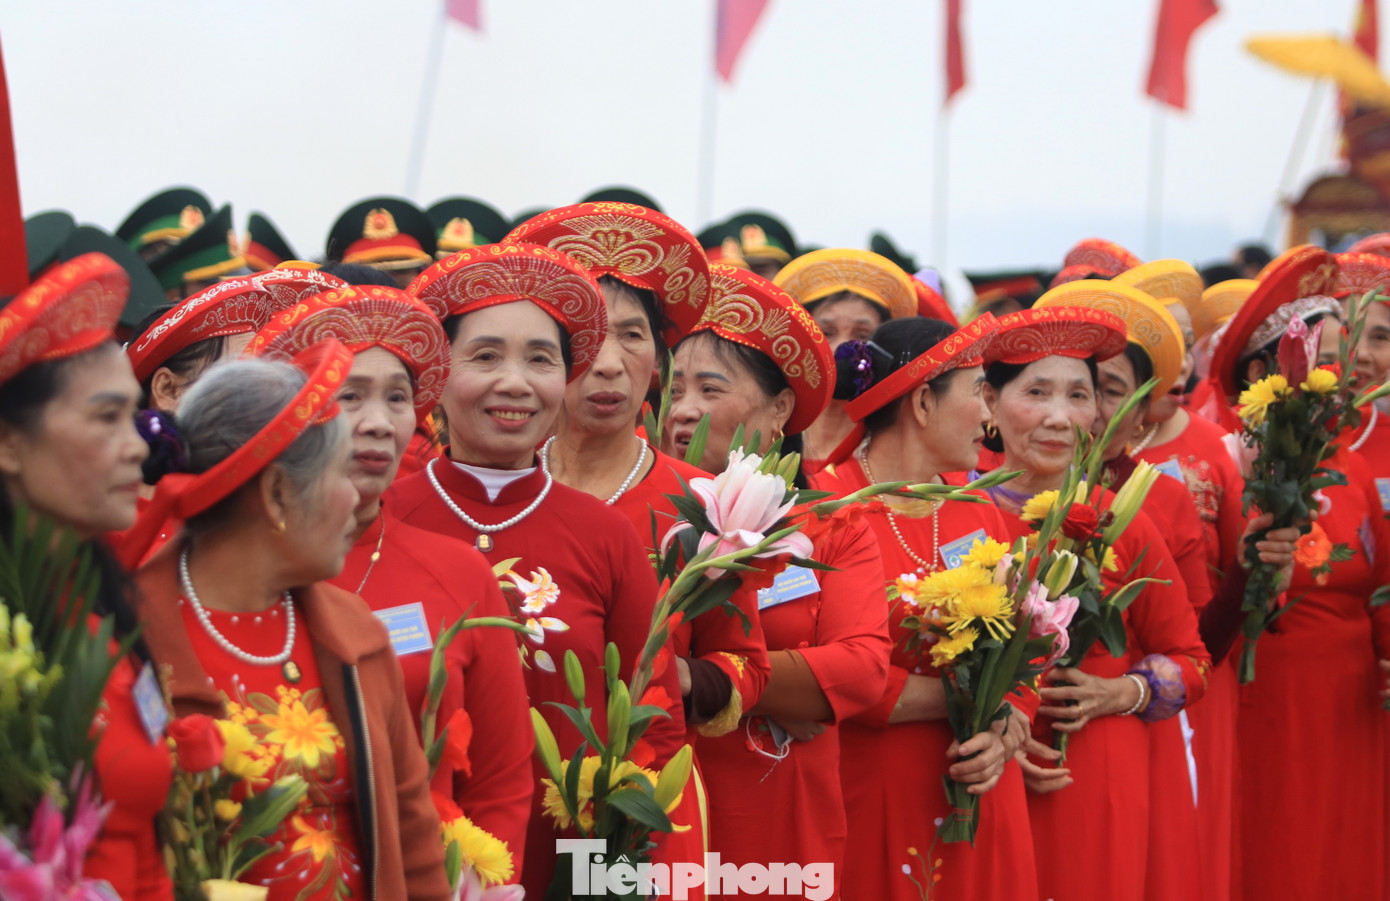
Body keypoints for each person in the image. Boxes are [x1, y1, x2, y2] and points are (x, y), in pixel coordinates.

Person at [391, 242, 685, 898]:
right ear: (436, 374)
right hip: (405, 858)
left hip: (571, 863)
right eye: (486, 355)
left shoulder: (604, 533)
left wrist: (620, 854)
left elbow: (655, 714)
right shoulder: (383, 517)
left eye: (541, 359)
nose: (517, 382)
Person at [126, 342, 451, 900]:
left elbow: (414, 841)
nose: (357, 495)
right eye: (339, 473)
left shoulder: (356, 635)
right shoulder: (128, 640)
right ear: (278, 494)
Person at [508, 203, 770, 893]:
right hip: (496, 807)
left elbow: (744, 663)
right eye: (586, 332)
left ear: (659, 360)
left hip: (636, 813)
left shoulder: (703, 502)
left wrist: (681, 681)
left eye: (633, 335)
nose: (609, 361)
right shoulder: (492, 490)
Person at [244, 285, 534, 879]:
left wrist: (477, 886)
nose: (378, 423)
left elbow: (502, 778)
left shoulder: (458, 573)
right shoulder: (241, 568)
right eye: (350, 396)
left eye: (398, 398)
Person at [662, 263, 891, 900]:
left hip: (776, 818)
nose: (685, 411)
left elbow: (864, 666)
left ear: (781, 406)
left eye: (710, 389)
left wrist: (719, 680)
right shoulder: (631, 514)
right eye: (674, 389)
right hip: (648, 803)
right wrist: (793, 690)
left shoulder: (830, 528)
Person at [976, 306, 1211, 901]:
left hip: (1093, 766)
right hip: (977, 769)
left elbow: (1191, 658)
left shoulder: (1122, 520)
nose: (1060, 417)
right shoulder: (956, 514)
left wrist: (1122, 692)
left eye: (1079, 395)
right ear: (989, 404)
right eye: (1036, 392)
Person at [813, 313, 1042, 901]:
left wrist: (1009, 724)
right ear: (921, 403)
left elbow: (1021, 650)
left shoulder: (978, 511)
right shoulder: (825, 512)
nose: (991, 417)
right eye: (978, 392)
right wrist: (970, 698)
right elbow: (821, 666)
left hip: (981, 787)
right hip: (875, 790)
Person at [1208, 246, 1390, 899]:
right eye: (1328, 359)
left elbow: (1378, 585)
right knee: (1274, 854)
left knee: (1344, 856)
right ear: (1267, 368)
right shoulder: (1228, 464)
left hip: (1351, 704)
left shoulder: (1354, 463)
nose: (1346, 375)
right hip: (1269, 698)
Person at [0, 253, 168, 898]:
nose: (137, 445)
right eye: (105, 418)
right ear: (9, 443)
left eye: (133, 416)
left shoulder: (101, 609)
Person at [773, 248, 920, 471]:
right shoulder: (767, 434)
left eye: (862, 335)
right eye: (827, 332)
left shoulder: (896, 449)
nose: (841, 347)